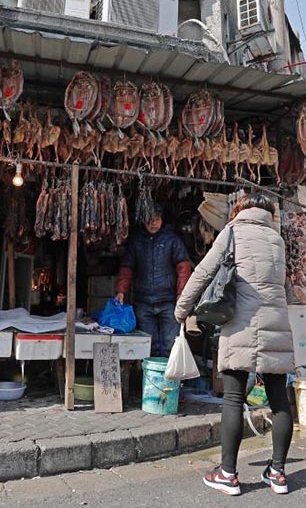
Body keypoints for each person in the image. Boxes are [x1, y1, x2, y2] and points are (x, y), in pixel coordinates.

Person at [175, 194, 293, 496]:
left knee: (232, 399)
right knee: (279, 399)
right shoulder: (277, 240)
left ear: (238, 211)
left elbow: (203, 272)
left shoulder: (233, 232)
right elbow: (283, 285)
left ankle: (228, 473)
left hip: (241, 324)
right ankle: (278, 473)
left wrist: (182, 308)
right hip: (277, 325)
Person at [115, 202, 192, 357]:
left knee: (171, 344)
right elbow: (127, 267)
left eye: (157, 219)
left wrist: (181, 293)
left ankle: (169, 380)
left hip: (168, 301)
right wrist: (121, 291)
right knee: (147, 346)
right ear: (143, 220)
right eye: (149, 219)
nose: (153, 223)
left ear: (162, 219)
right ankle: (150, 379)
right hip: (143, 301)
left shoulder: (172, 239)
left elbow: (183, 267)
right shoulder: (136, 241)